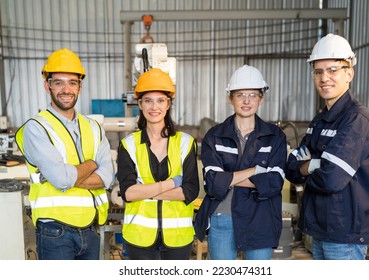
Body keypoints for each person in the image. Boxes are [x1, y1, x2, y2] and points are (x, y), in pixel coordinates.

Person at [285, 34, 369, 260]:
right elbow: (291, 169)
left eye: (332, 70)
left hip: (344, 234)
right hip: (319, 230)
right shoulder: (319, 121)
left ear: (349, 73)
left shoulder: (356, 119)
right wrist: (315, 165)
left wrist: (307, 166)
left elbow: (332, 178)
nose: (324, 78)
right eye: (318, 72)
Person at [15, 48, 115, 260]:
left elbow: (108, 177)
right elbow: (61, 179)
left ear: (80, 86)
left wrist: (67, 176)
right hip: (55, 233)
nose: (66, 89)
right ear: (47, 85)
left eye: (72, 82)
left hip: (91, 228)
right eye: (58, 82)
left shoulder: (94, 127)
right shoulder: (36, 128)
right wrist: (92, 164)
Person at [194, 65, 287, 260]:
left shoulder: (274, 136)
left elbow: (274, 182)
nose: (246, 100)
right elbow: (212, 183)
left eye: (252, 95)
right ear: (230, 98)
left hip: (260, 219)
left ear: (261, 98)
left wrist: (227, 179)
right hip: (222, 218)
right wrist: (255, 171)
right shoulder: (215, 136)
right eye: (240, 95)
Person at [117, 68, 199, 260]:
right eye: (148, 100)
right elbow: (128, 193)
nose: (154, 107)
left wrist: (144, 191)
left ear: (168, 104)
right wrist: (171, 183)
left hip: (178, 238)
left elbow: (190, 191)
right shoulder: (128, 145)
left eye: (160, 100)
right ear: (140, 104)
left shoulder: (186, 143)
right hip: (139, 238)